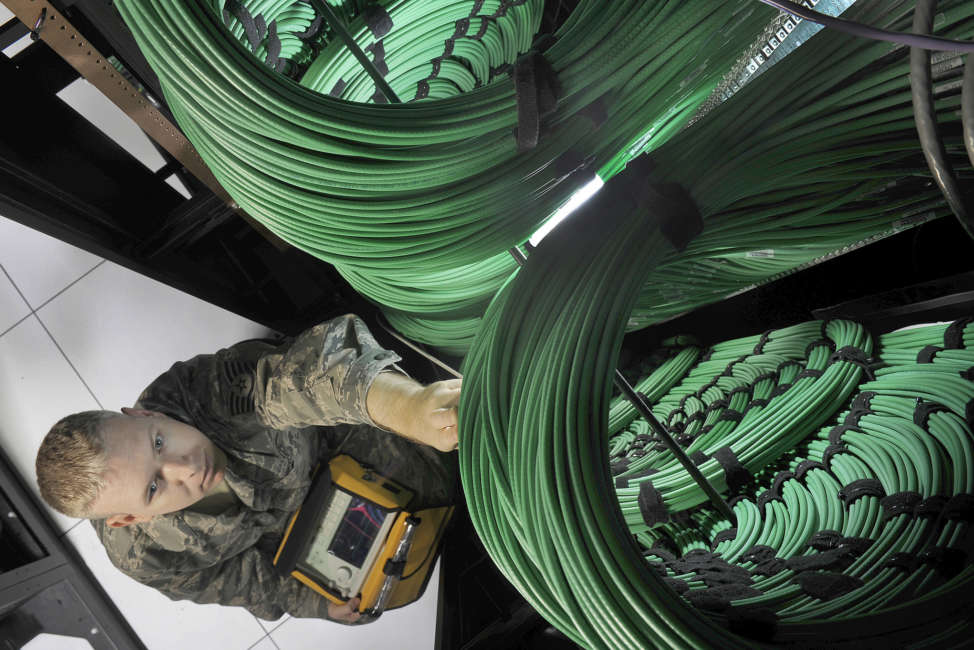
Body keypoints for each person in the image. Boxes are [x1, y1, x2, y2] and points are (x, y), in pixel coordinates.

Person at [34, 314, 460, 625]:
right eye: (153, 487)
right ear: (132, 518)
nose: (186, 466)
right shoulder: (143, 556)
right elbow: (239, 580)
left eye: (159, 443)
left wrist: (405, 406)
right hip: (296, 525)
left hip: (330, 440)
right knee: (390, 576)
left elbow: (308, 380)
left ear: (143, 415)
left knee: (453, 478)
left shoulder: (203, 392)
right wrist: (315, 605)